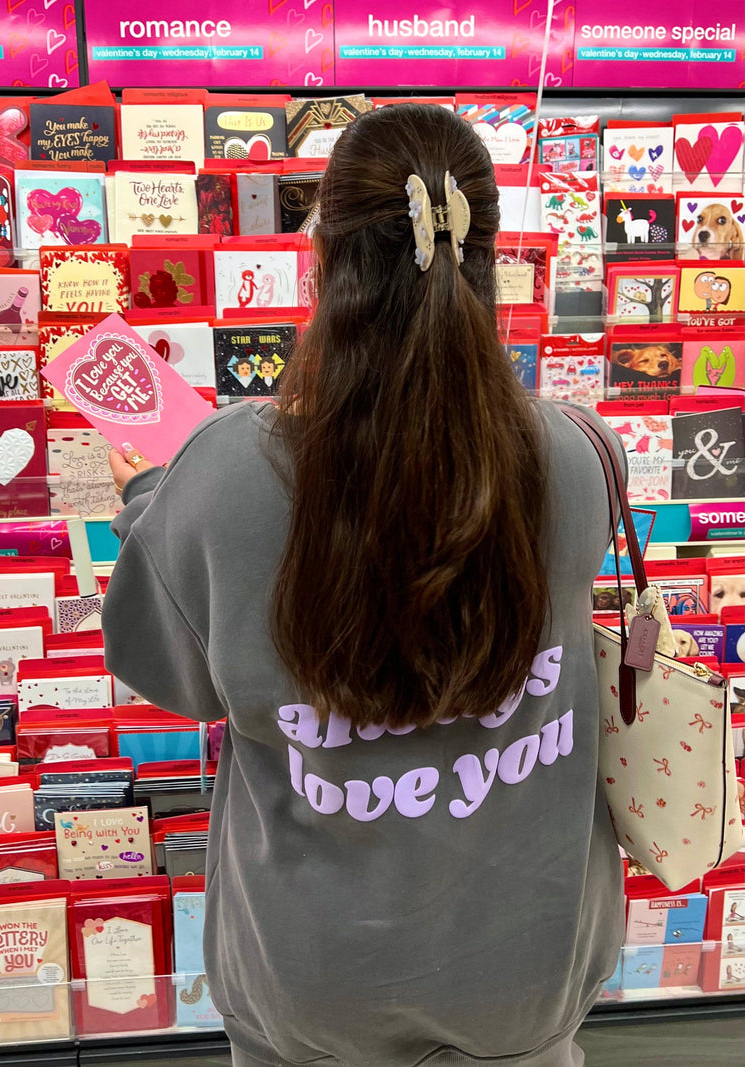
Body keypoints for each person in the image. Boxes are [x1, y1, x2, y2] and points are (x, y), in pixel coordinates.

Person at [103, 104, 627, 1067]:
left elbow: (170, 671)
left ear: (324, 256)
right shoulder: (581, 456)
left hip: (312, 979)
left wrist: (151, 491)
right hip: (529, 965)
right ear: (489, 255)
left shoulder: (225, 473)